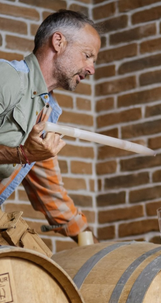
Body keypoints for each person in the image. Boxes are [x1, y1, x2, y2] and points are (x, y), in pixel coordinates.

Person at [0, 9, 101, 243]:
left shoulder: (47, 114)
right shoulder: (8, 78)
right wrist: (22, 153)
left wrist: (96, 247)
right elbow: (24, 154)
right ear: (58, 42)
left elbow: (51, 193)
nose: (91, 69)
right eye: (87, 55)